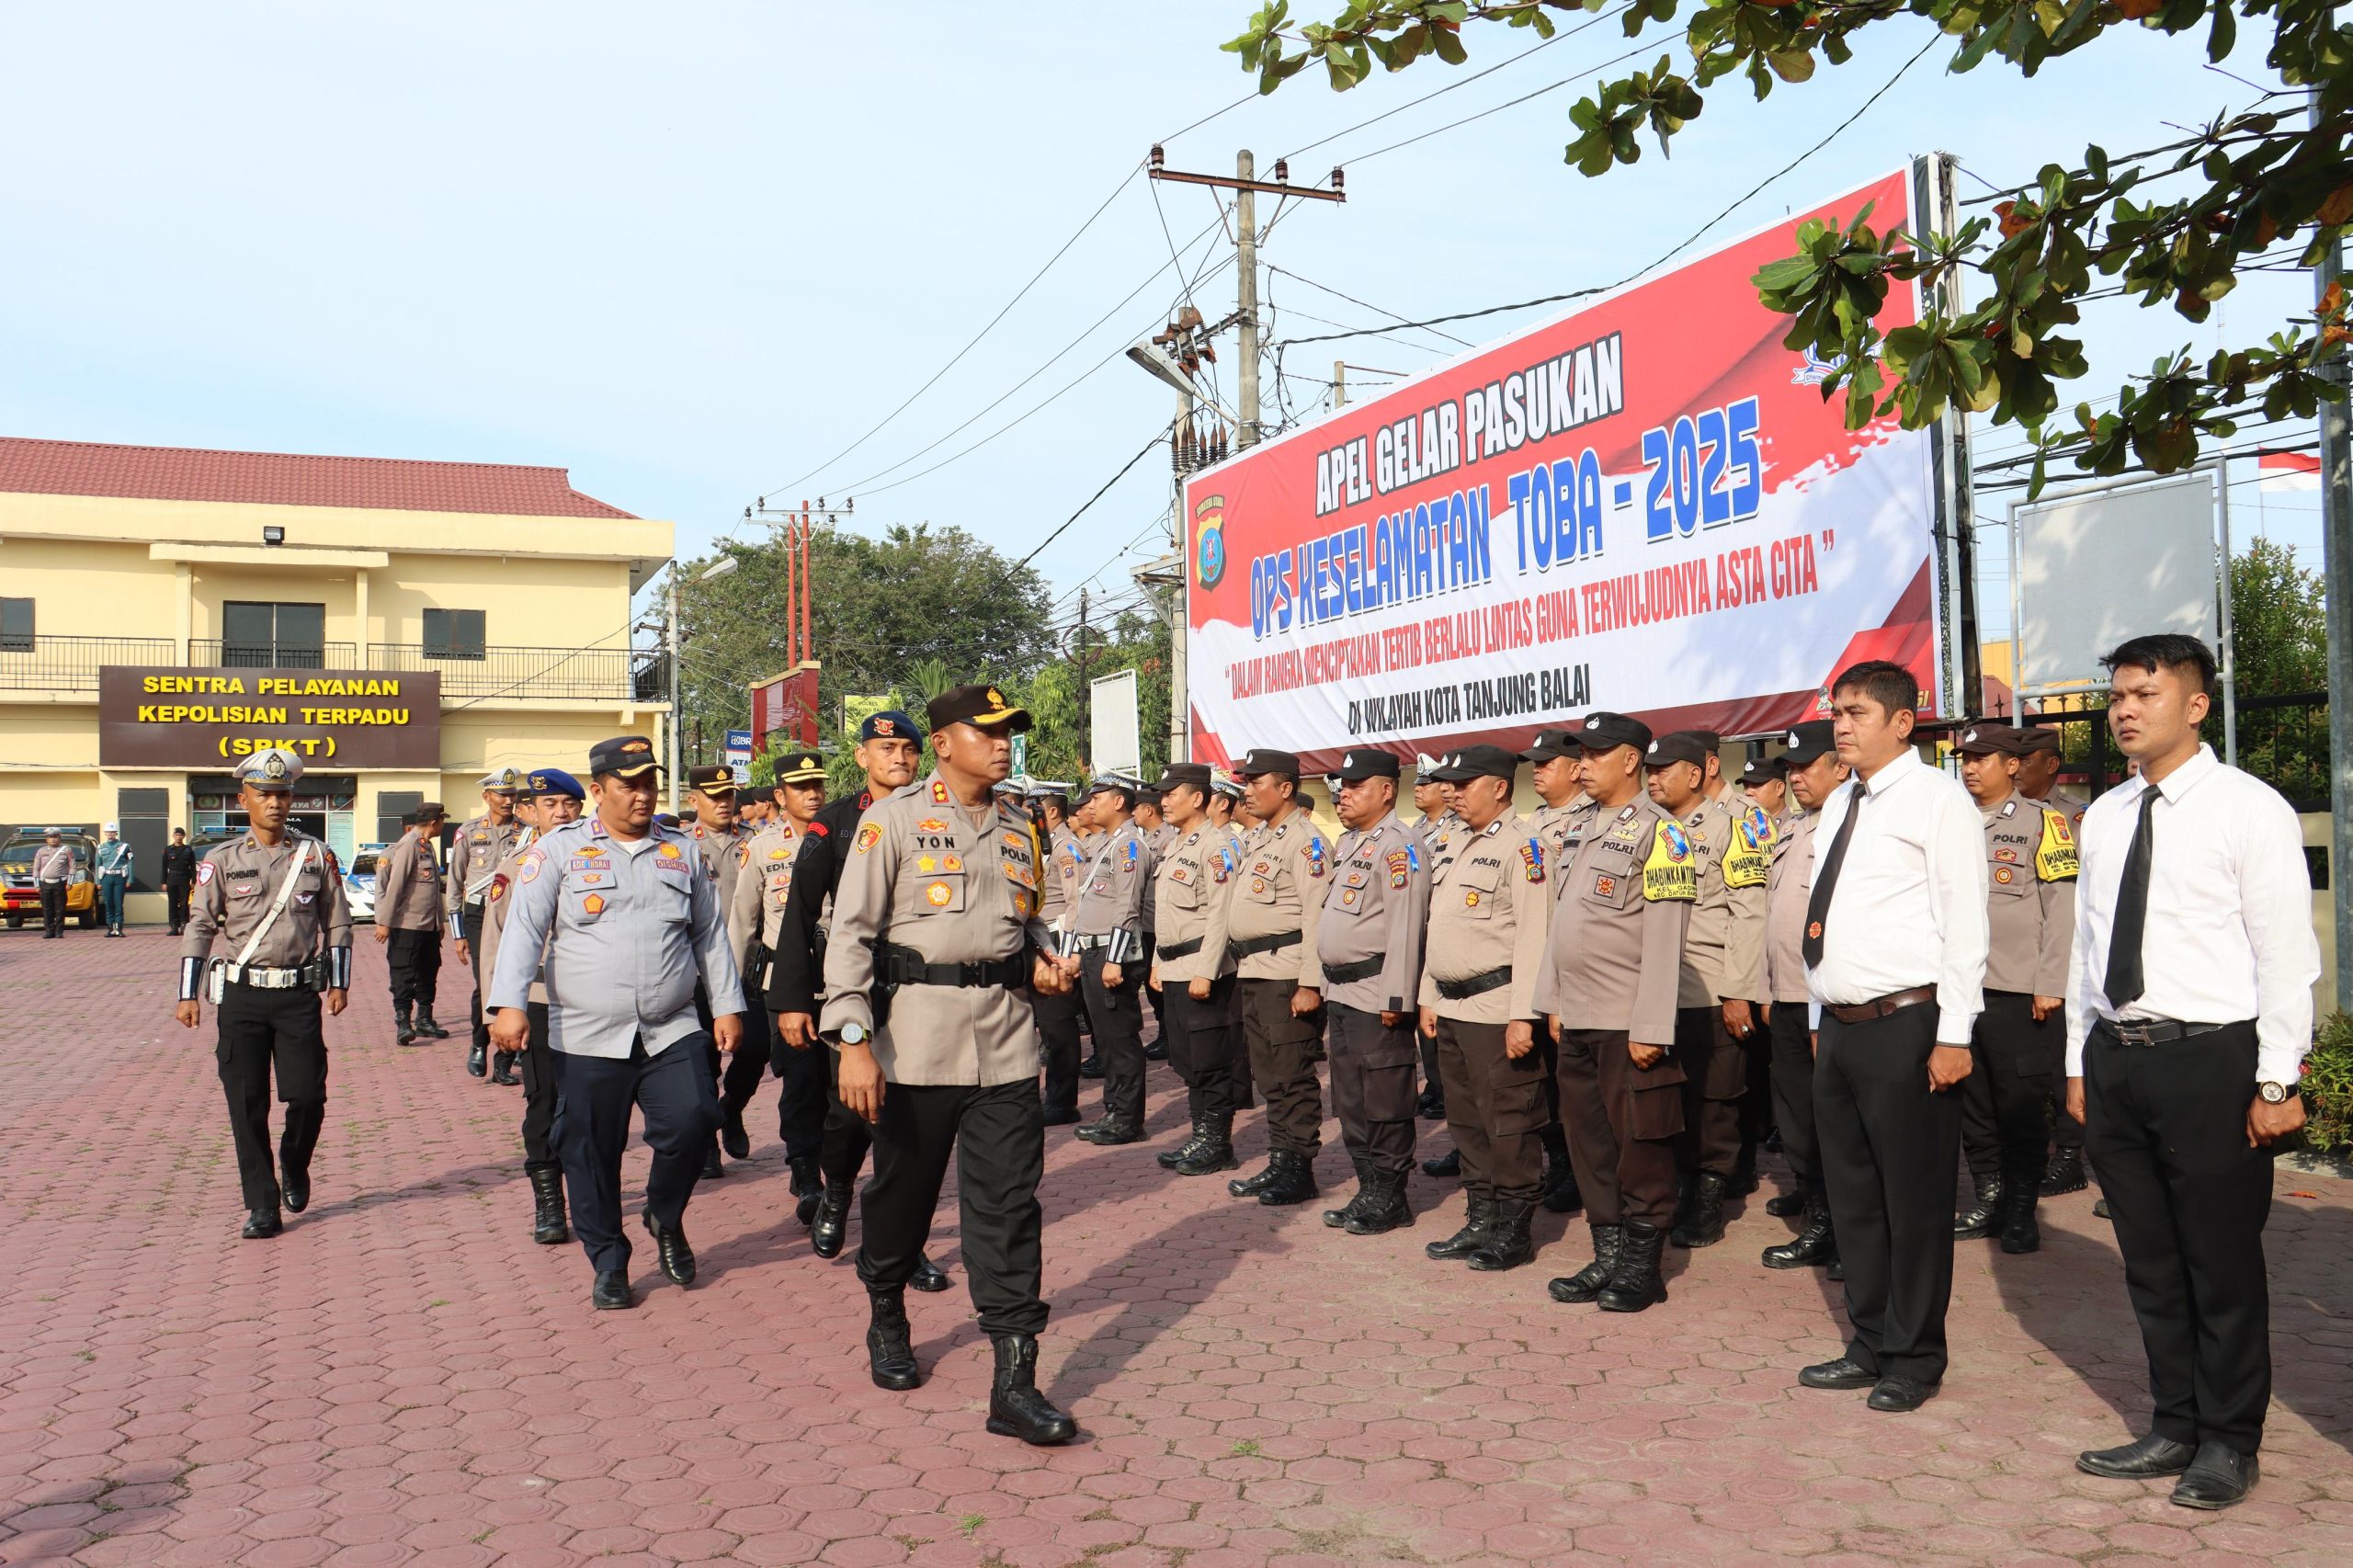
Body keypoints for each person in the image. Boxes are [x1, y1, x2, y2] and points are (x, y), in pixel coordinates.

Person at [2065, 634, 2318, 1509]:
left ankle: (2230, 1440)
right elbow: (2087, 953)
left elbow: (2287, 957)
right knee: (2150, 1260)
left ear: (2197, 705)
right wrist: (2077, 1059)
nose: (2125, 710)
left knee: (2220, 1262)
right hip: (2119, 1059)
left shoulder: (2250, 810)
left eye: (2145, 693)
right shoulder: (2103, 815)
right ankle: (2174, 1422)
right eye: (2118, 696)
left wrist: (2278, 1081)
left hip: (2213, 1060)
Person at [819, 684, 1078, 1446]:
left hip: (1003, 1044)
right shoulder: (890, 822)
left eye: (1010, 733)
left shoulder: (1020, 825)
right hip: (913, 1046)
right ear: (943, 743)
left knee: (1008, 1211)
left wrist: (1047, 959)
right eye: (987, 731)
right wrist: (855, 1041)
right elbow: (852, 937)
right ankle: (887, 1310)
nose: (1003, 744)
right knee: (903, 1195)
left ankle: (1015, 1385)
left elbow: (1034, 921)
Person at [488, 735, 743, 1312]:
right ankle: (609, 1259)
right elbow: (525, 929)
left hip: (671, 1024)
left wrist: (727, 1004)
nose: (644, 795)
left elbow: (709, 934)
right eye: (630, 784)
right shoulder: (557, 852)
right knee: (590, 1150)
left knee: (697, 1117)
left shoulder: (682, 851)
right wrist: (507, 1004)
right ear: (599, 790)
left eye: (650, 782)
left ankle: (663, 1211)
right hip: (584, 1032)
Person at [1798, 661, 1987, 1414]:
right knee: (1854, 1199)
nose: (1840, 725)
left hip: (1909, 1024)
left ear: (1902, 722)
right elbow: (1825, 915)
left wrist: (1954, 1034)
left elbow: (1966, 925)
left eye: (1856, 712)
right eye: (1836, 712)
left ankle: (1915, 1355)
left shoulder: (1939, 802)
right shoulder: (1841, 799)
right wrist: (1818, 1019)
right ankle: (1870, 1340)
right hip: (1840, 1028)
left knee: (1912, 1201)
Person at [767, 712, 950, 1292]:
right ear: (863, 758)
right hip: (851, 990)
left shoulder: (940, 816)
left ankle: (905, 1244)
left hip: (922, 992)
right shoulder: (835, 824)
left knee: (909, 1126)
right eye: (886, 748)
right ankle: (838, 1191)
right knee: (848, 1114)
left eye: (909, 749)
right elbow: (799, 913)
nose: (900, 757)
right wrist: (793, 999)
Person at [1534, 713, 1693, 1313]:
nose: (1582, 766)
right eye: (1580, 755)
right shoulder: (1578, 829)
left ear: (1631, 760)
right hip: (1577, 1016)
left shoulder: (1663, 834)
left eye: (1596, 755)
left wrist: (1652, 1026)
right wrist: (1550, 1001)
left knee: (1640, 1144)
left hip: (1628, 1021)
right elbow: (1562, 924)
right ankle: (1607, 1254)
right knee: (1590, 1144)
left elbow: (1665, 937)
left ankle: (1641, 1267)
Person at [173, 749, 353, 1238]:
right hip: (241, 997)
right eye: (264, 794)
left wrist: (340, 981)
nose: (275, 803)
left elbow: (336, 920)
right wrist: (188, 994)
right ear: (244, 799)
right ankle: (262, 1204)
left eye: (282, 793)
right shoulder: (220, 860)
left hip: (298, 996)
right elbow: (200, 925)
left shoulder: (315, 855)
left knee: (308, 1097)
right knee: (247, 1103)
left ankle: (295, 1162)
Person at [1415, 745, 1552, 1272]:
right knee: (1466, 1120)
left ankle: (1513, 1231)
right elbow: (1442, 927)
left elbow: (1534, 937)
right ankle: (1480, 1218)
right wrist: (1430, 993)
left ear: (1498, 787)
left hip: (1497, 1008)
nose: (1454, 793)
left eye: (1465, 783)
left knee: (1508, 1123)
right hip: (1452, 1007)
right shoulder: (1460, 842)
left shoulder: (1526, 847)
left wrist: (1525, 1015)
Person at [1951, 725, 2076, 1255]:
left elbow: (2062, 909)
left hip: (2017, 991)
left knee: (2021, 1105)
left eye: (1984, 758)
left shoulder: (2044, 823)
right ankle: (1989, 1198)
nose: (1971, 767)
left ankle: (2022, 1207)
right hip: (1959, 989)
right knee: (1973, 1104)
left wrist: (2051, 983)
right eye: (1966, 758)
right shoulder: (1949, 822)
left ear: (2012, 765)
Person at [1643, 732, 1760, 1251]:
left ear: (1695, 774)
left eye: (1664, 769)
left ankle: (1710, 1198)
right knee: (1671, 1100)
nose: (1653, 778)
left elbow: (1749, 912)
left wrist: (1738, 990)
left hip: (1710, 989)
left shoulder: (1735, 828)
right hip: (1658, 993)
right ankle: (1683, 1189)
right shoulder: (1649, 830)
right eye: (1650, 769)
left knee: (1714, 1099)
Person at [1314, 749, 1431, 1236]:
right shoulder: (1351, 843)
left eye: (1355, 785)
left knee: (1384, 1097)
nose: (1343, 793)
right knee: (1350, 1099)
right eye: (1341, 785)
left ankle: (1390, 1195)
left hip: (1377, 992)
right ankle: (1368, 1187)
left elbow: (1407, 928)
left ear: (1386, 790)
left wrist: (1398, 998)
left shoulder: (1399, 846)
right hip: (1342, 993)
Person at [1207, 749, 1329, 1207]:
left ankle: (1300, 1168)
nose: (1247, 790)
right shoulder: (1260, 839)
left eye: (1257, 782)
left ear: (1285, 788)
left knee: (1293, 1074)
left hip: (1286, 974)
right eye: (1246, 781)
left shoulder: (1306, 841)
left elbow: (1317, 916)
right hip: (1255, 972)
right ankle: (1281, 1158)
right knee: (1270, 1076)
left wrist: (1310, 983)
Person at [476, 767, 585, 1244]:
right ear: (530, 812)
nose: (561, 813)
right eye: (550, 806)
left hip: (593, 1001)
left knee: (592, 1102)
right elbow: (494, 944)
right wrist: (497, 1011)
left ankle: (587, 1186)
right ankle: (548, 1198)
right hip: (540, 999)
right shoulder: (517, 867)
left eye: (569, 804)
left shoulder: (600, 856)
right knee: (543, 1099)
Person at [1758, 722, 1847, 1274]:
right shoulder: (1790, 828)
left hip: (1831, 1002)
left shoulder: (1854, 826)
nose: (1795, 777)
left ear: (1840, 767)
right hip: (1788, 997)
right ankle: (1820, 1214)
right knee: (1796, 1116)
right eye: (1789, 768)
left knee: (1836, 1121)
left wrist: (1817, 1010)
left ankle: (1842, 1227)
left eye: (1806, 766)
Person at [726, 753, 830, 1211]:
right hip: (783, 985)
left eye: (818, 785)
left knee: (840, 1086)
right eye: (801, 787)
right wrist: (729, 997)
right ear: (780, 796)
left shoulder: (843, 840)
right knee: (801, 1082)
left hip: (840, 982)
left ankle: (834, 1168)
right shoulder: (764, 848)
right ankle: (806, 1173)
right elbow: (741, 924)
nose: (812, 794)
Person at [1145, 763, 1243, 1175]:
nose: (1163, 801)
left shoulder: (1216, 846)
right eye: (1162, 794)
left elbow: (1222, 915)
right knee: (1187, 1059)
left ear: (1198, 798)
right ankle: (1200, 1135)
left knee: (1211, 1059)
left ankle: (1217, 1143)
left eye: (1172, 793)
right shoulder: (1176, 844)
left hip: (1203, 968)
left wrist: (1207, 970)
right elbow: (1165, 915)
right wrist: (1156, 962)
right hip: (1173, 966)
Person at [2017, 723, 2094, 1198]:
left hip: (2062, 956)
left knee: (2063, 1061)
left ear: (2051, 765)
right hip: (2014, 961)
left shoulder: (2076, 818)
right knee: (2026, 1067)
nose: (2018, 768)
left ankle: (2069, 1156)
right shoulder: (2003, 815)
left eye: (2027, 760)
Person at [1069, 778, 1157, 1146]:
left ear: (1119, 802)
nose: (1091, 806)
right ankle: (1113, 1110)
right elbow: (1087, 903)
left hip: (1111, 954)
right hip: (1094, 952)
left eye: (1098, 799)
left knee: (1120, 1038)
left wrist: (1115, 960)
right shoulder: (1106, 843)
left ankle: (1127, 1118)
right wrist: (1075, 949)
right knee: (1104, 1039)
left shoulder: (1130, 846)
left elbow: (1127, 908)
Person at [448, 769, 525, 1080]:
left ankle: (504, 1061)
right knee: (487, 983)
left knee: (518, 980)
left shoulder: (527, 832)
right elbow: (454, 884)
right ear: (487, 797)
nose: (508, 801)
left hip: (515, 913)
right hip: (478, 915)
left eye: (512, 795)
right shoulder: (468, 832)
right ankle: (479, 1043)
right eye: (501, 795)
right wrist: (458, 934)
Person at [1022, 778, 1086, 1127]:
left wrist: (1070, 951)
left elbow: (1077, 902)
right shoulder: (1041, 845)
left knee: (1058, 1027)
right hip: (1038, 942)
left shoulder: (1067, 848)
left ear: (1050, 812)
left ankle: (1063, 1102)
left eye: (1034, 809)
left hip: (1058, 943)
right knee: (1045, 1027)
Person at [373, 804, 449, 1045]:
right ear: (434, 822)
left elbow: (433, 889)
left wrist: (440, 920)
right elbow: (394, 886)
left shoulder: (427, 845)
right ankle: (404, 1023)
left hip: (428, 927)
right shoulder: (408, 844)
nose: (443, 825)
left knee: (429, 971)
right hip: (407, 925)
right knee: (404, 973)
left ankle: (425, 1020)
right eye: (442, 821)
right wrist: (384, 922)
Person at [93, 822, 132, 937]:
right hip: (106, 877)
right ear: (105, 833)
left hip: (119, 876)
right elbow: (98, 864)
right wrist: (97, 881)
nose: (110, 834)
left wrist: (130, 879)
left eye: (112, 832)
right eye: (108, 832)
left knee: (118, 903)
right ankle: (110, 928)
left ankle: (119, 928)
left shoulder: (125, 846)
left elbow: (130, 863)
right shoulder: (101, 847)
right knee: (108, 903)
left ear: (116, 833)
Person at [32, 828, 73, 938]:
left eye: (55, 837)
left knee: (60, 908)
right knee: (47, 908)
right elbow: (36, 868)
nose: (53, 839)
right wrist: (36, 885)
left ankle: (59, 931)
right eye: (51, 837)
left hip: (60, 883)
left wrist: (70, 882)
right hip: (45, 883)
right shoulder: (41, 851)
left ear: (59, 838)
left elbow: (72, 866)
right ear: (47, 839)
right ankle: (49, 931)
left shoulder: (66, 850)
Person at [162, 826, 199, 937]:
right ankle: (174, 926)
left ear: (183, 836)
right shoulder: (168, 850)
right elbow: (163, 867)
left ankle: (184, 924)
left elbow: (193, 867)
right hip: (171, 879)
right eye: (176, 835)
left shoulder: (188, 850)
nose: (178, 837)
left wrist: (193, 881)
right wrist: (163, 882)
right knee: (172, 904)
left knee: (184, 903)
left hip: (184, 879)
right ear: (173, 836)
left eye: (180, 835)